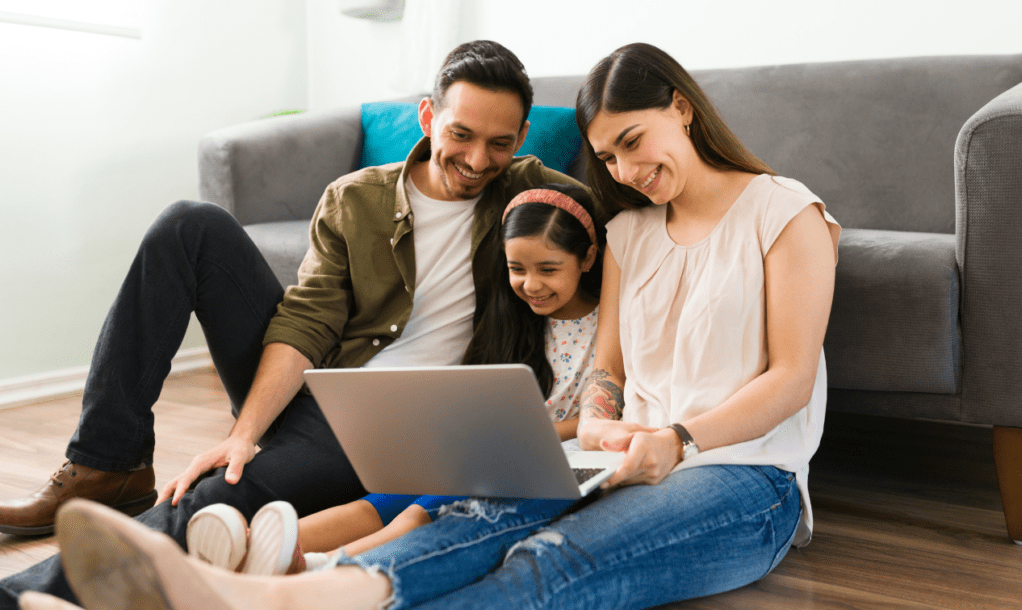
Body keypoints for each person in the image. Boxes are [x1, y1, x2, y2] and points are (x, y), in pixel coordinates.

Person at [21, 42, 842, 610]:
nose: (625, 171)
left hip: (734, 470)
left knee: (533, 551)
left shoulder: (769, 211)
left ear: (680, 106)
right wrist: (598, 419)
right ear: (427, 117)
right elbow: (612, 372)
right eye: (610, 157)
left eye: (632, 143)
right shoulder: (620, 230)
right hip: (551, 438)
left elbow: (788, 378)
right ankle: (206, 550)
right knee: (466, 510)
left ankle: (246, 592)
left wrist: (671, 437)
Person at [0, 40, 579, 609]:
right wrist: (243, 435)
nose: (478, 161)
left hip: (398, 433)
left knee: (212, 496)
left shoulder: (538, 196)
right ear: (428, 117)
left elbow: (626, 216)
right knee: (190, 226)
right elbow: (307, 320)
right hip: (323, 385)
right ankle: (107, 465)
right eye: (461, 134)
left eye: (499, 143)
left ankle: (21, 595)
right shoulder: (356, 199)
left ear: (522, 137)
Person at [183, 184, 604, 575]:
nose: (531, 285)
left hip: (558, 462)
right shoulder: (513, 319)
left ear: (586, 259)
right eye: (517, 269)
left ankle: (317, 566)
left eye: (548, 269)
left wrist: (528, 435)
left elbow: (601, 418)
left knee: (419, 513)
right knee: (378, 503)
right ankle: (248, 546)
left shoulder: (607, 328)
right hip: (489, 451)